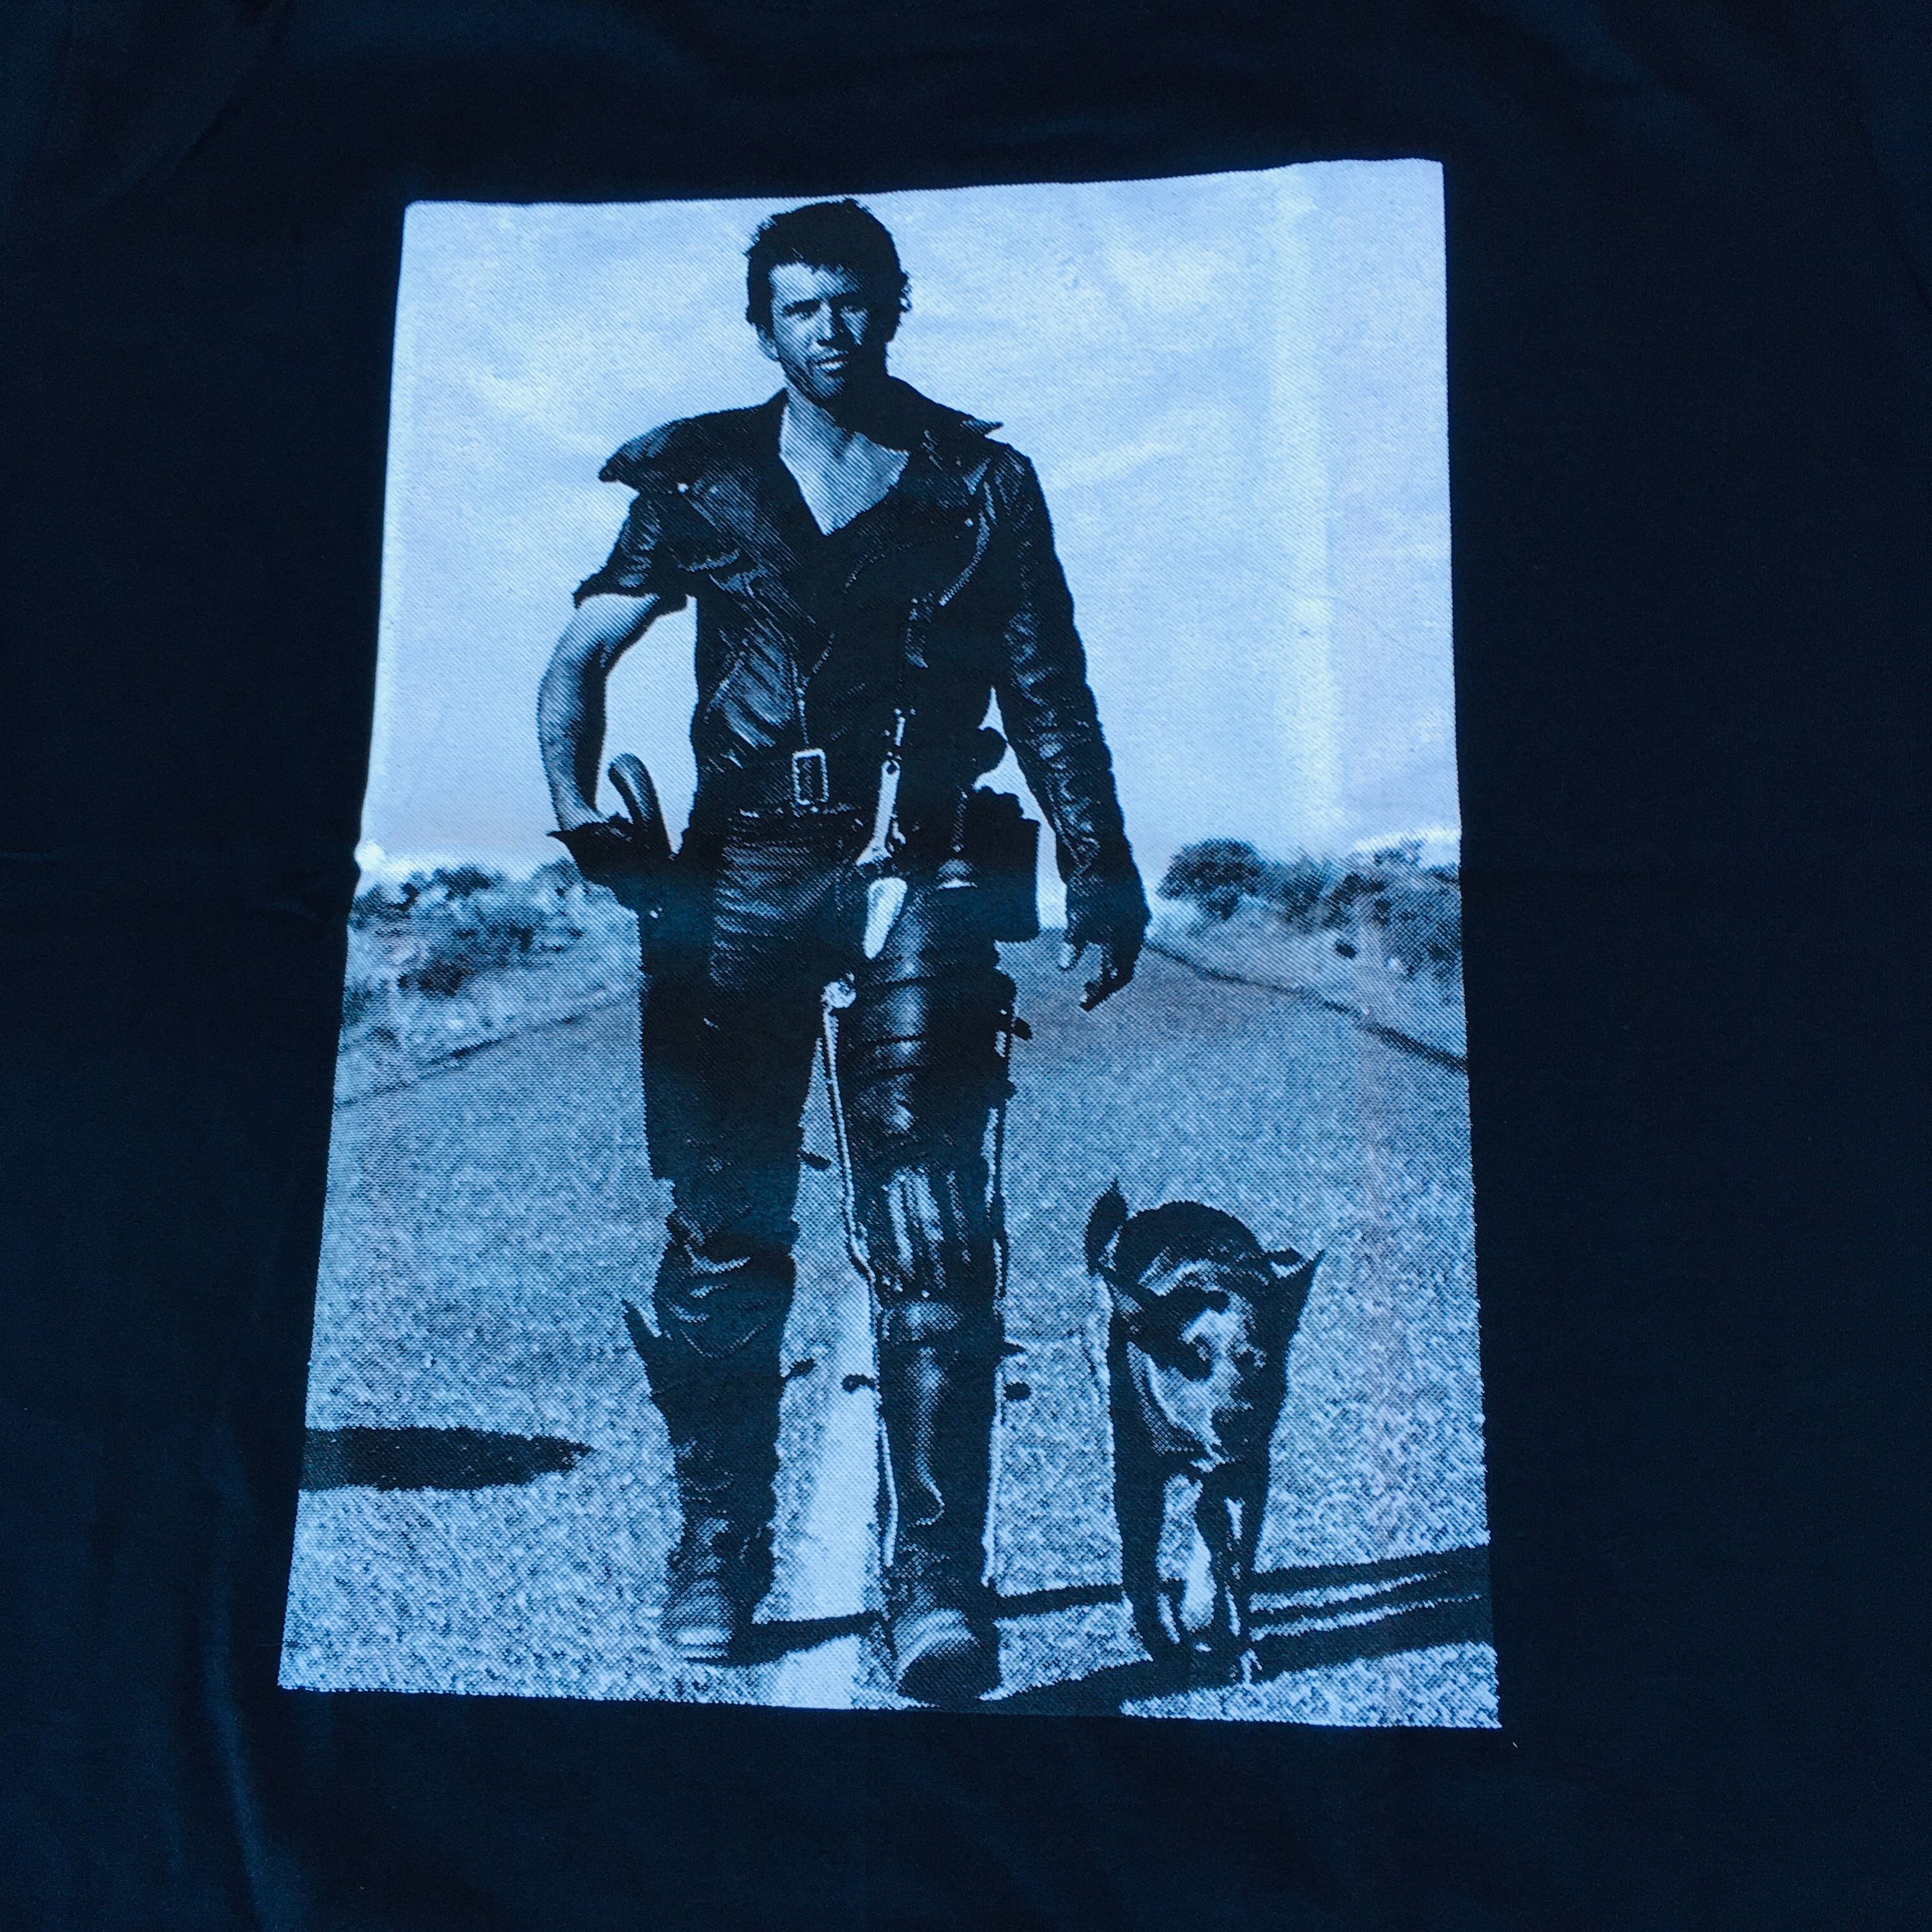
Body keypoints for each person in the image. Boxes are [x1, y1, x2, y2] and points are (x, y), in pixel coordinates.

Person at [537, 199, 1148, 1703]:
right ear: (763, 326)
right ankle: (718, 1546)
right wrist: (581, 812)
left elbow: (1048, 688)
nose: (831, 330)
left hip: (923, 865)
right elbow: (580, 658)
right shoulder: (701, 479)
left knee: (935, 1226)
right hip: (742, 875)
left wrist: (1100, 868)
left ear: (895, 306)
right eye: (801, 307)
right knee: (724, 1229)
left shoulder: (980, 484)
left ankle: (936, 1585)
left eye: (854, 301)